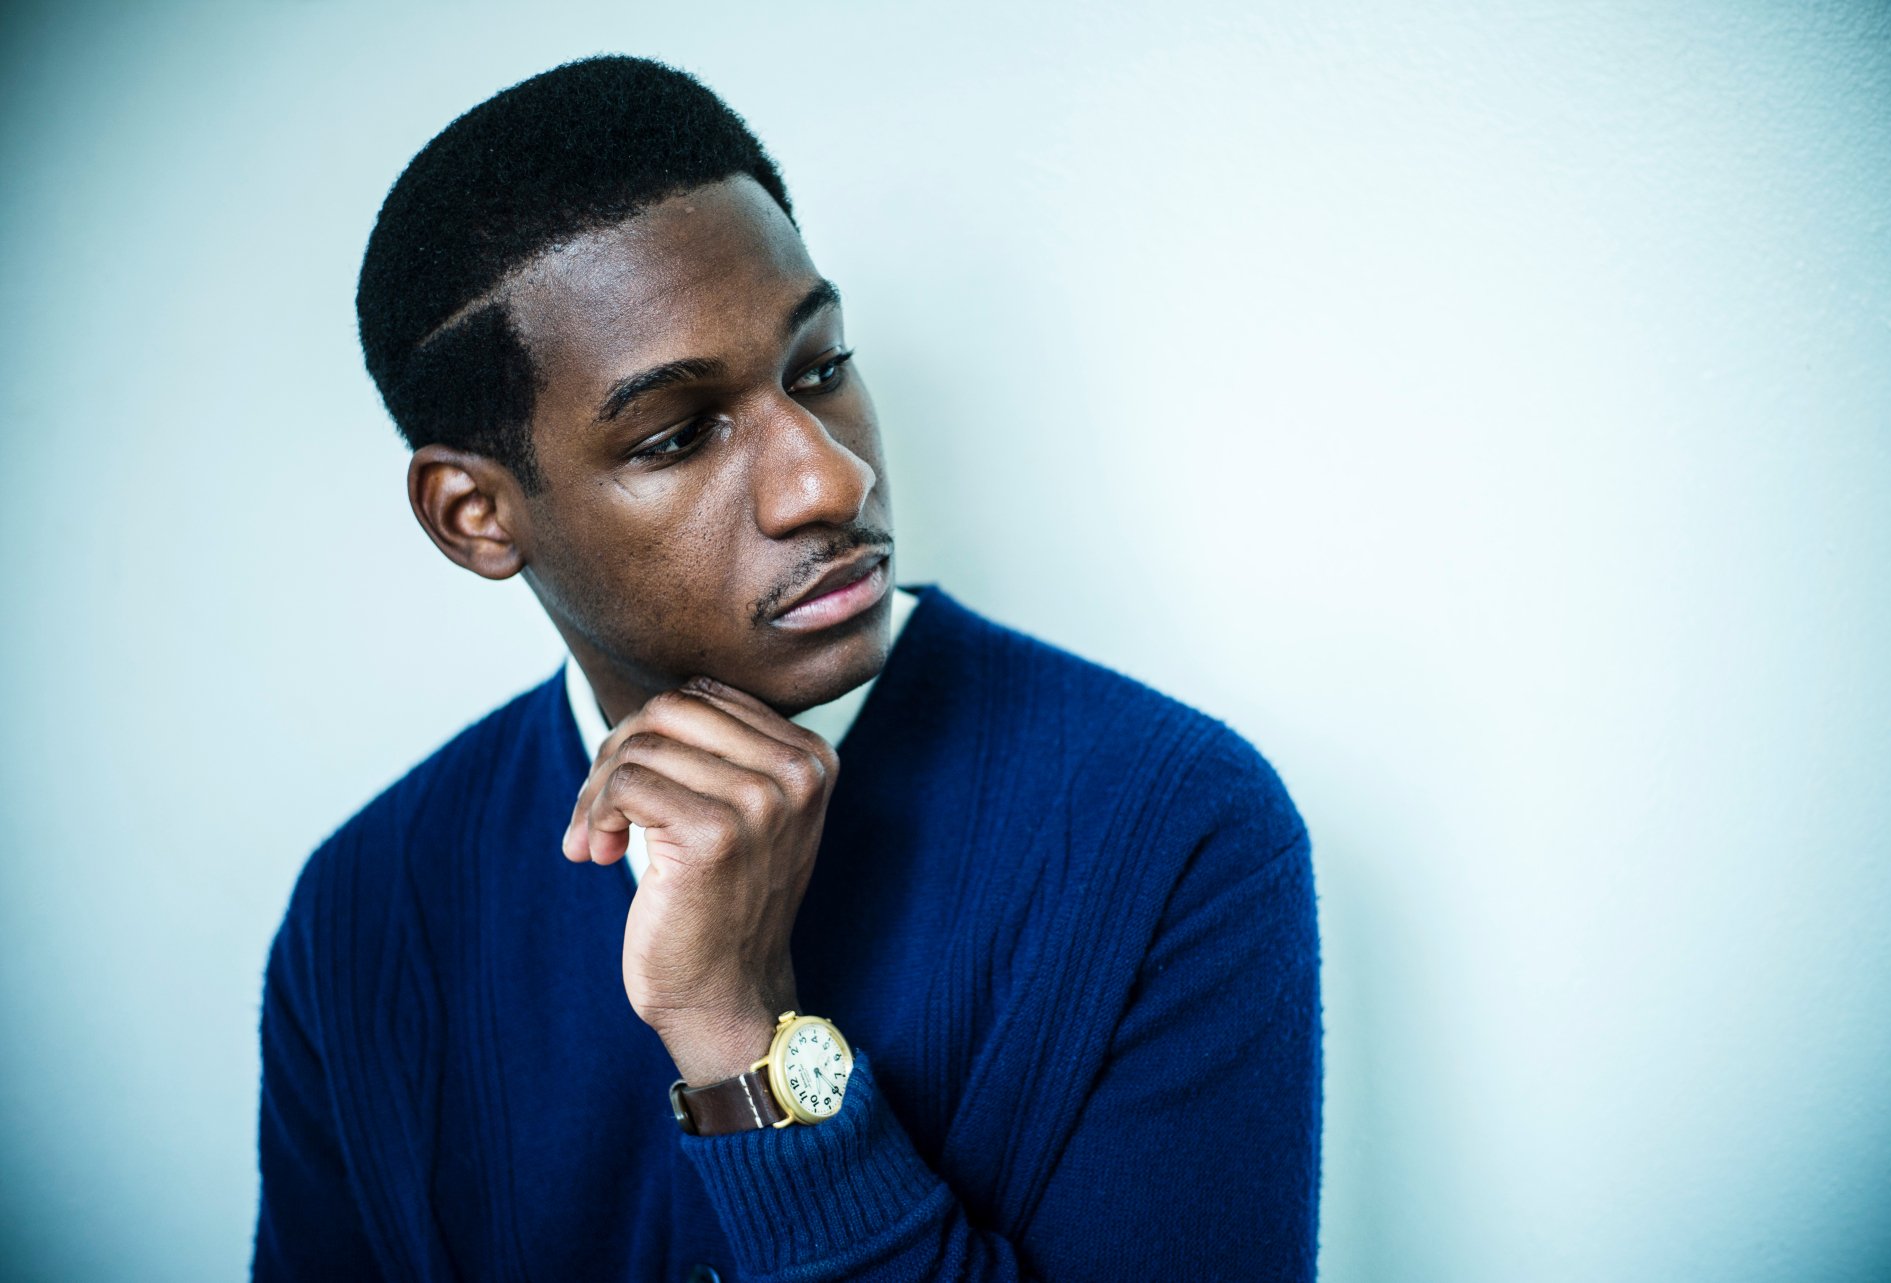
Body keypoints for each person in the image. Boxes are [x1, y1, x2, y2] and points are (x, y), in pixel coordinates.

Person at [252, 53, 1320, 1283]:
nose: (831, 479)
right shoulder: (364, 911)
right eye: (677, 433)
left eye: (819, 366)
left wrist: (736, 1036)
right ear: (475, 515)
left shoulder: (1170, 825)